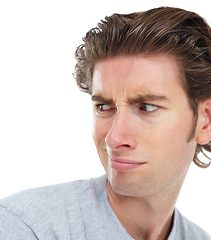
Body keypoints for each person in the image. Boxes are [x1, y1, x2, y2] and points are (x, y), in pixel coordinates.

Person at [0, 6, 211, 240]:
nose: (114, 139)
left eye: (147, 107)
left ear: (205, 122)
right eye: (103, 106)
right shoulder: (26, 228)